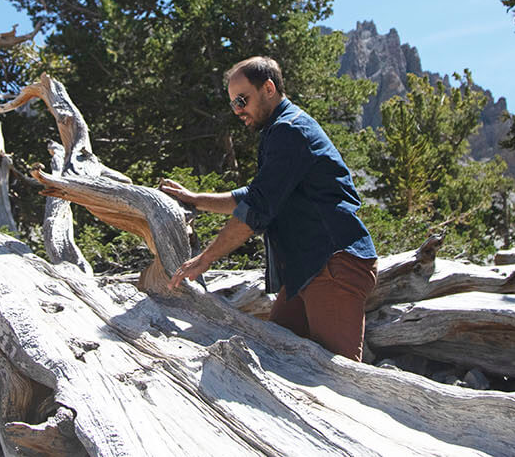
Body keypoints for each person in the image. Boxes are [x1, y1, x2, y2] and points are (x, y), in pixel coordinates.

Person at [159, 56, 378, 361]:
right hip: (308, 270)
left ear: (269, 88)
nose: (237, 111)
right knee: (277, 357)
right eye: (233, 104)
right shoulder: (279, 130)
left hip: (332, 266)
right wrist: (196, 199)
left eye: (242, 100)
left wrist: (205, 258)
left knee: (341, 380)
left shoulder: (290, 130)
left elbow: (256, 209)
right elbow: (255, 195)